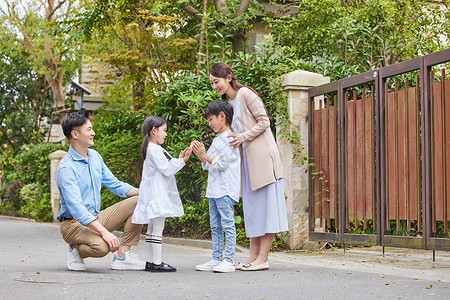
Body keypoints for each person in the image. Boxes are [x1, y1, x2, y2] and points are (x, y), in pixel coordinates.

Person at [208, 62, 288, 271]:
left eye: (216, 82)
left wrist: (243, 137)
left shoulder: (245, 94)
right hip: (246, 163)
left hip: (262, 158)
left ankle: (263, 258)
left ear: (228, 77)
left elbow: (264, 122)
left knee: (267, 207)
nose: (215, 87)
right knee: (252, 209)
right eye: (212, 83)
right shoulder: (229, 104)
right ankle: (252, 256)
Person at [57, 109, 145, 271]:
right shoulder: (66, 168)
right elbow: (76, 208)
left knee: (140, 200)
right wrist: (105, 233)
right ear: (75, 134)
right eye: (89, 129)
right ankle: (75, 248)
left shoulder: (95, 157)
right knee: (102, 248)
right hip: (73, 224)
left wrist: (146, 192)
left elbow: (115, 185)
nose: (94, 133)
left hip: (96, 217)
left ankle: (122, 256)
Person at [132, 116, 192, 272]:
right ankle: (156, 262)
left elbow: (166, 166)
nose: (165, 134)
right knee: (157, 228)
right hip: (157, 194)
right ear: (154, 131)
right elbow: (168, 169)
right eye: (164, 130)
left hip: (154, 193)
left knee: (152, 228)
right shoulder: (154, 150)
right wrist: (183, 161)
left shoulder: (152, 149)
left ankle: (152, 261)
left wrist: (179, 159)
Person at [192, 100, 241, 273]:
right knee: (215, 224)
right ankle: (216, 258)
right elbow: (208, 164)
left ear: (222, 116)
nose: (210, 123)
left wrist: (205, 155)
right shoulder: (218, 139)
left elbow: (221, 164)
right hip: (214, 189)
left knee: (227, 224)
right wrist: (201, 155)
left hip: (225, 188)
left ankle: (228, 260)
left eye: (211, 119)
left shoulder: (229, 138)